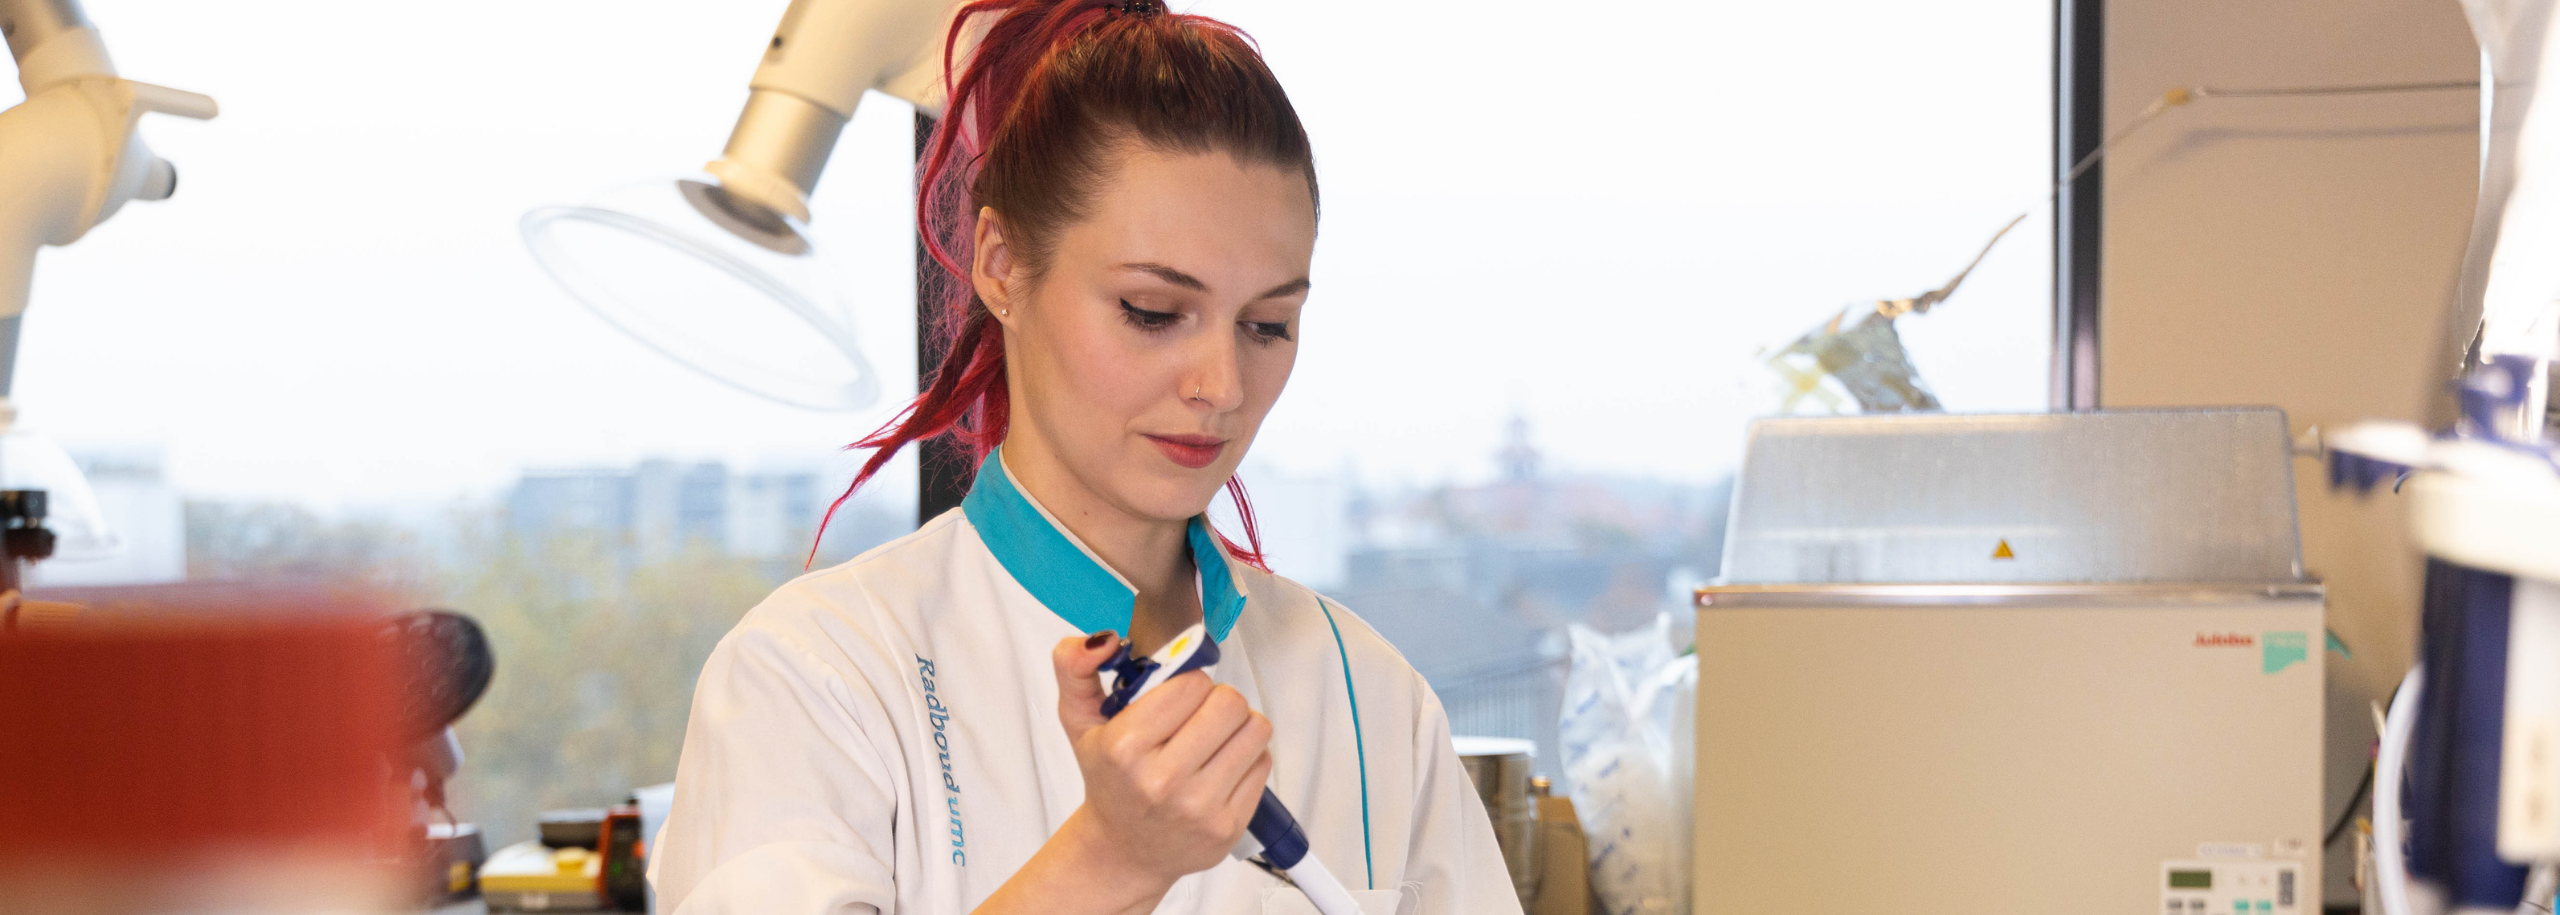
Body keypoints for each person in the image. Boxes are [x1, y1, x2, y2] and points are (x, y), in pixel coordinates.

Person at [648, 1, 1519, 912]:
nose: (1221, 382)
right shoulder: (818, 675)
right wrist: (1111, 859)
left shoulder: (1367, 692)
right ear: (1001, 264)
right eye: (1151, 311)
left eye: (1268, 325)